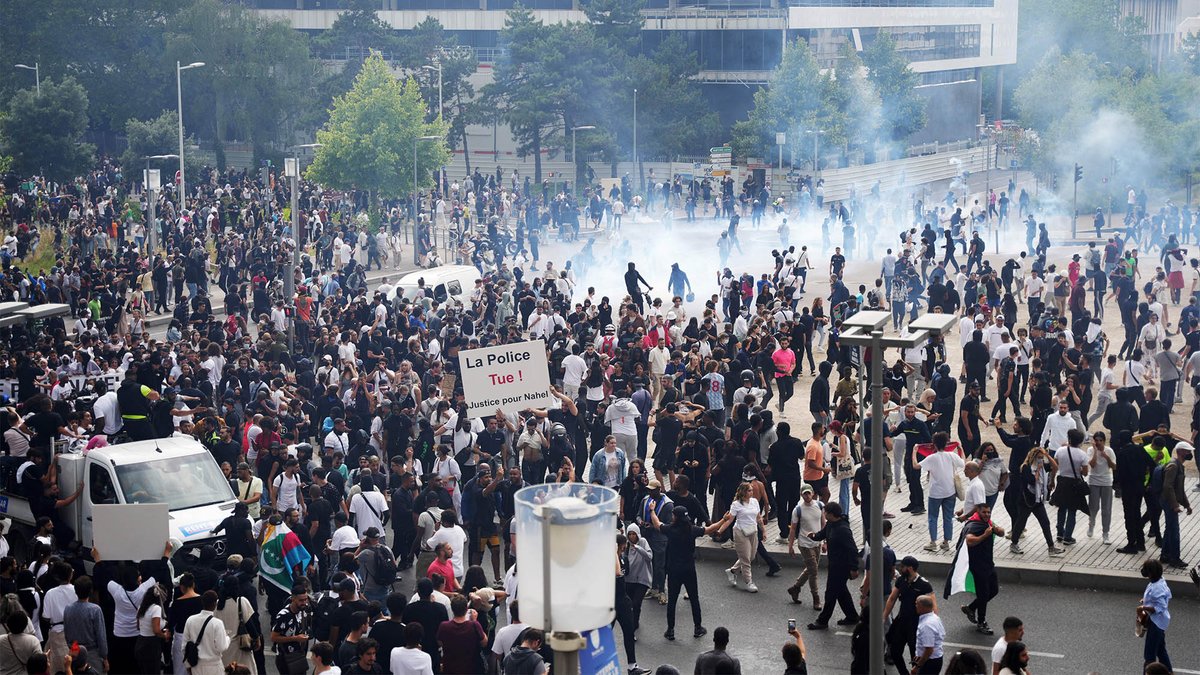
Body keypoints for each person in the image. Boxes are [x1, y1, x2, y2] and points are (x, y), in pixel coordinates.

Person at [654, 504, 722, 640]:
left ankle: (670, 630)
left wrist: (651, 510)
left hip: (674, 570)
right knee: (694, 599)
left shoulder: (670, 529)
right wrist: (724, 520)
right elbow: (710, 529)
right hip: (689, 569)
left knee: (672, 601)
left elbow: (657, 524)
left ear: (676, 517)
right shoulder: (692, 530)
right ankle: (698, 628)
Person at [806, 502, 859, 629]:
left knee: (831, 593)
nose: (823, 514)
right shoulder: (831, 524)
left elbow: (852, 549)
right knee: (841, 592)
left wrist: (854, 568)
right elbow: (823, 534)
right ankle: (852, 617)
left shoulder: (843, 530)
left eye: (825, 512)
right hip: (834, 564)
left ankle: (822, 621)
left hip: (841, 567)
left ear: (831, 514)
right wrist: (814, 536)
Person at [954, 504, 1004, 635]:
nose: (987, 514)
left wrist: (996, 529)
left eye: (988, 512)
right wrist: (984, 536)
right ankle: (981, 623)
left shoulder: (988, 523)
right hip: (978, 566)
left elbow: (1002, 532)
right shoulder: (974, 525)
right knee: (983, 594)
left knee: (994, 590)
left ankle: (971, 608)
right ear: (978, 512)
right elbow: (969, 541)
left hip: (988, 564)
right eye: (984, 512)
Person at [884, 556, 934, 671]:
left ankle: (915, 672)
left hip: (915, 625)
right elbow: (892, 599)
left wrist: (931, 625)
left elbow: (933, 606)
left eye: (902, 567)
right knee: (894, 652)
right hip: (901, 622)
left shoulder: (924, 585)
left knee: (914, 655)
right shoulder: (901, 580)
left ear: (910, 568)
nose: (900, 569)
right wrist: (884, 616)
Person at [714, 481, 763, 592]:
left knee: (751, 557)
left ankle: (732, 571)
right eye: (749, 490)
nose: (752, 492)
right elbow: (729, 519)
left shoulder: (755, 502)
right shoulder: (736, 504)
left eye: (752, 490)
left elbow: (759, 517)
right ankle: (748, 582)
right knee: (745, 559)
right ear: (743, 492)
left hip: (753, 531)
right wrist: (720, 531)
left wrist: (763, 531)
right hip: (740, 532)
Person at [786, 484, 824, 609]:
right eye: (804, 494)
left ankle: (795, 588)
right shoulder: (798, 510)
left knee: (811, 569)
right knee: (814, 571)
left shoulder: (820, 505)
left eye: (809, 493)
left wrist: (825, 541)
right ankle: (816, 598)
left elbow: (823, 524)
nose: (807, 496)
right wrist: (790, 546)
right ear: (801, 495)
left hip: (817, 543)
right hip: (804, 544)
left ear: (813, 493)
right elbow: (793, 529)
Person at [1158, 441, 1193, 568]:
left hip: (1170, 501)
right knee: (1174, 531)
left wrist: (1187, 505)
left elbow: (1179, 489)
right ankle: (1174, 558)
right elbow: (1168, 487)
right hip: (1168, 502)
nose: (1189, 453)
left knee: (1170, 529)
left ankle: (1165, 555)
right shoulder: (1173, 466)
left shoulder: (1179, 466)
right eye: (1187, 451)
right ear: (1180, 452)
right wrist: (1175, 505)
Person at [183, 590, 231, 675]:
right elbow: (221, 647)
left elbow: (184, 646)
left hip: (196, 666)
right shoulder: (217, 623)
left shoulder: (190, 620)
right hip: (214, 666)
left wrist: (188, 665)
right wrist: (227, 638)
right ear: (215, 603)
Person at [1138, 559, 1172, 672]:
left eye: (1145, 569)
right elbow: (1159, 598)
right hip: (1160, 622)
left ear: (1151, 573)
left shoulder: (1157, 588)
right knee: (1161, 651)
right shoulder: (1159, 581)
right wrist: (1146, 601)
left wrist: (1144, 607)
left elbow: (1161, 607)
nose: (1143, 571)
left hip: (1156, 623)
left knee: (1149, 655)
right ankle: (1169, 672)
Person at [912, 594, 945, 674]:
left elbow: (929, 650)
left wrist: (917, 666)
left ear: (923, 607)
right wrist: (919, 654)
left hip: (929, 662)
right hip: (934, 659)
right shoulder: (934, 618)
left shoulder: (927, 625)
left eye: (917, 604)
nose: (915, 606)